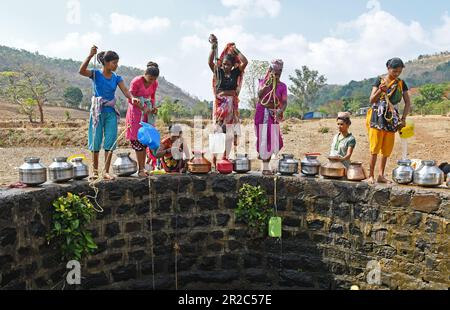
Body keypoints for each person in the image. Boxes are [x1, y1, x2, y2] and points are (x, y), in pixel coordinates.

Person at [79, 46, 139, 180]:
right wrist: (89, 55)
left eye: (117, 62)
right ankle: (95, 171)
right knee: (95, 140)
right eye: (114, 63)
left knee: (111, 140)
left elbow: (125, 90)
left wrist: (132, 98)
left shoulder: (117, 77)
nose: (116, 65)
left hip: (110, 112)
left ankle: (105, 171)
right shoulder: (96, 74)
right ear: (106, 63)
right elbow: (81, 71)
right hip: (97, 111)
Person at [367, 57, 411, 184]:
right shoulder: (380, 80)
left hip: (392, 118)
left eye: (399, 71)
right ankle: (371, 175)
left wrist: (403, 118)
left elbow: (407, 102)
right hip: (377, 117)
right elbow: (371, 100)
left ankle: (381, 175)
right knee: (374, 148)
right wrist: (381, 90)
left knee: (386, 148)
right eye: (394, 71)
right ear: (388, 68)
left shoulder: (401, 83)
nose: (397, 73)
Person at [208, 34, 248, 165]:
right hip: (220, 105)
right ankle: (214, 158)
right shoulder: (218, 72)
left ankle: (225, 156)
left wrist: (234, 49)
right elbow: (210, 62)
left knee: (229, 132)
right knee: (217, 131)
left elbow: (245, 62)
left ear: (232, 65)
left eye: (228, 64)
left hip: (232, 106)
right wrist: (213, 48)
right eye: (224, 64)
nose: (225, 66)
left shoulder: (235, 72)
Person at [126, 62, 160, 177]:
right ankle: (140, 170)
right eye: (150, 79)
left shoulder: (154, 83)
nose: (151, 82)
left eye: (153, 80)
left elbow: (153, 97)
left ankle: (143, 168)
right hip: (135, 113)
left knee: (145, 140)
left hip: (146, 114)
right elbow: (130, 97)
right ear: (145, 74)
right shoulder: (136, 81)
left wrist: (153, 108)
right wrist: (141, 107)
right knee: (137, 140)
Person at [254, 59, 288, 175]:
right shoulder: (263, 82)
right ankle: (265, 167)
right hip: (262, 112)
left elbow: (284, 102)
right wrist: (268, 83)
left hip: (273, 114)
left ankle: (268, 162)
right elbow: (259, 95)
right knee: (264, 138)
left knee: (274, 139)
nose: (277, 74)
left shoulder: (282, 86)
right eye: (275, 71)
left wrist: (280, 110)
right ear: (270, 70)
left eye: (279, 71)